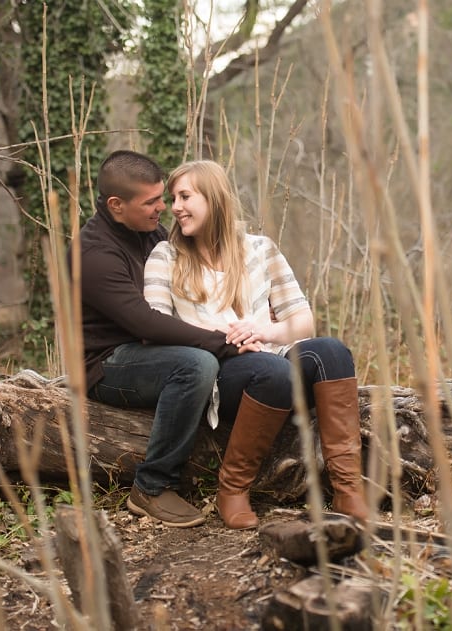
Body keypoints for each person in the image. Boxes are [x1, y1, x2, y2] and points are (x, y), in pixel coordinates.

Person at [143, 160, 369, 529]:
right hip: (220, 373)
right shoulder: (167, 257)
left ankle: (348, 491)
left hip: (269, 357)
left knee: (331, 351)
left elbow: (302, 321)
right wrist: (222, 341)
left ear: (214, 199)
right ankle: (232, 490)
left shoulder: (260, 249)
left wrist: (263, 331)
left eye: (185, 196)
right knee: (272, 371)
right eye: (173, 198)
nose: (176, 207)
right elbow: (157, 327)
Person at [76, 150, 249, 528]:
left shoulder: (149, 232)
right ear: (116, 205)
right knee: (196, 364)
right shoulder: (94, 255)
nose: (165, 209)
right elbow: (147, 324)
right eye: (152, 201)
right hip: (107, 365)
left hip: (152, 352)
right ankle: (152, 486)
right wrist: (220, 341)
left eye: (164, 198)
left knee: (215, 359)